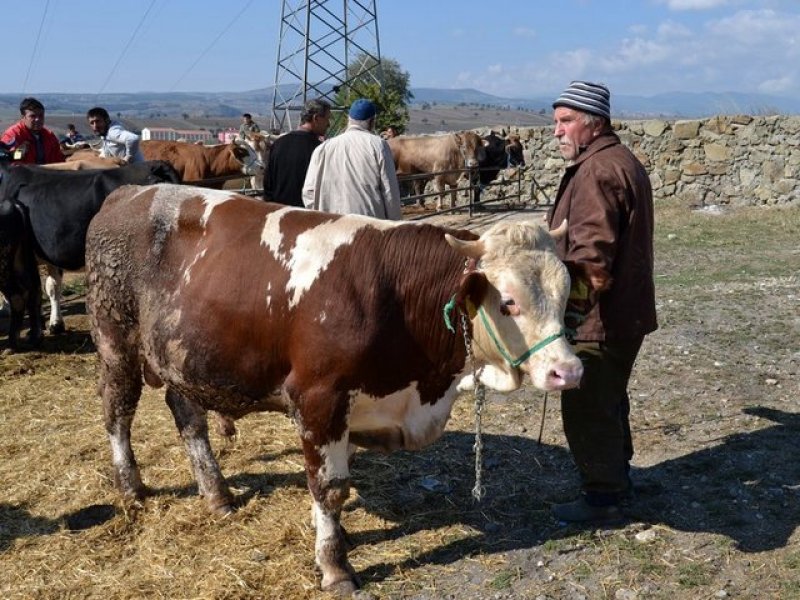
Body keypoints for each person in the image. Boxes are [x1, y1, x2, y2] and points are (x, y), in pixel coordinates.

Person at [547, 80, 657, 523]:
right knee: (607, 397)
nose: (557, 131)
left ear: (595, 124)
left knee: (588, 405)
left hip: (599, 316)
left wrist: (568, 317)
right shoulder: (618, 159)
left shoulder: (596, 171)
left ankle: (603, 498)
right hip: (622, 311)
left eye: (566, 121)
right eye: (556, 121)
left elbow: (591, 257)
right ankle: (618, 479)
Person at [302, 98, 401, 220]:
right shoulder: (379, 145)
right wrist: (395, 223)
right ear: (371, 121)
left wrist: (321, 216)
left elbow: (308, 192)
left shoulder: (323, 149)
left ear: (349, 119)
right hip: (368, 225)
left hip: (332, 225)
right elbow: (390, 192)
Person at [265, 98, 331, 207]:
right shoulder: (320, 149)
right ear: (316, 118)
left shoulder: (278, 144)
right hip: (306, 214)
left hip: (279, 212)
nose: (328, 124)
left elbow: (268, 185)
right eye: (327, 119)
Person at [0, 97, 65, 164]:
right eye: (32, 116)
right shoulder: (13, 135)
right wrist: (18, 153)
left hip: (48, 170)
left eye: (41, 115)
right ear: (23, 117)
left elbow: (59, 159)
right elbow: (6, 159)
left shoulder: (49, 136)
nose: (37, 119)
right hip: (23, 170)